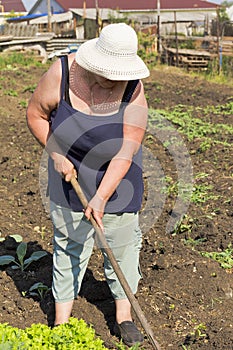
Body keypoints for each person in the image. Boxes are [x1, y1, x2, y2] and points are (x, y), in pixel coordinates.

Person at [26, 23, 150, 347]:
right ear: (94, 64)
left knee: (121, 249)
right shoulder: (62, 73)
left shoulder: (133, 90)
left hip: (118, 184)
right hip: (69, 177)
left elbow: (127, 150)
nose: (115, 80)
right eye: (109, 74)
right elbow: (36, 115)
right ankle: (61, 321)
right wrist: (54, 152)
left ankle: (124, 316)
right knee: (69, 248)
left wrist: (101, 197)